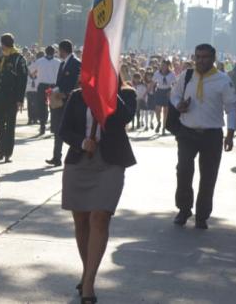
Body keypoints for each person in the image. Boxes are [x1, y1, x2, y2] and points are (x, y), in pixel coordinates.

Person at [60, 80, 137, 304]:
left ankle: (89, 283)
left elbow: (124, 117)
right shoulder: (76, 96)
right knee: (82, 220)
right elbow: (64, 130)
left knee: (100, 217)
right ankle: (87, 271)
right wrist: (82, 142)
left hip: (111, 163)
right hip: (80, 160)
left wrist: (109, 92)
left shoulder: (126, 94)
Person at [170, 44, 236, 229]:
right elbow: (174, 95)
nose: (200, 60)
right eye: (198, 57)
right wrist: (179, 105)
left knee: (208, 176)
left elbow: (232, 108)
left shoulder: (223, 80)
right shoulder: (187, 75)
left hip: (212, 134)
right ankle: (184, 209)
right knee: (183, 170)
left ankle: (202, 215)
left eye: (205, 57)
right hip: (187, 132)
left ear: (213, 58)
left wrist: (230, 134)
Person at [0, 33, 27, 162]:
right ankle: (1, 149)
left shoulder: (18, 58)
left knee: (10, 126)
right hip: (0, 97)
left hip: (12, 98)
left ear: (4, 44)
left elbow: (22, 79)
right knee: (0, 124)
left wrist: (20, 99)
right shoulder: (2, 58)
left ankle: (7, 153)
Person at [48, 40, 82, 167]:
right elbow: (59, 83)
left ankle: (77, 156)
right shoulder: (62, 64)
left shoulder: (76, 63)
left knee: (71, 130)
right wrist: (53, 91)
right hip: (59, 101)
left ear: (63, 50)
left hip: (70, 102)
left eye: (59, 51)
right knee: (58, 130)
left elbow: (77, 83)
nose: (58, 53)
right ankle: (57, 157)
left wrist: (67, 94)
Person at [30, 45, 61, 135]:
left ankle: (42, 126)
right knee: (54, 107)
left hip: (42, 86)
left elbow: (31, 71)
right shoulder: (58, 62)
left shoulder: (39, 61)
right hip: (53, 86)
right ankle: (53, 127)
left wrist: (36, 74)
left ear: (45, 52)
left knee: (42, 106)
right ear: (54, 52)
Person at [151, 60, 176, 135]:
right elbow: (153, 83)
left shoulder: (171, 74)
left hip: (168, 91)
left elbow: (175, 84)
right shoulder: (157, 73)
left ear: (168, 66)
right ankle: (159, 122)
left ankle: (164, 128)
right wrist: (146, 93)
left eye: (165, 65)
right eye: (162, 65)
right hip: (159, 91)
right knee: (157, 109)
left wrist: (172, 92)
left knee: (166, 111)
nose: (163, 67)